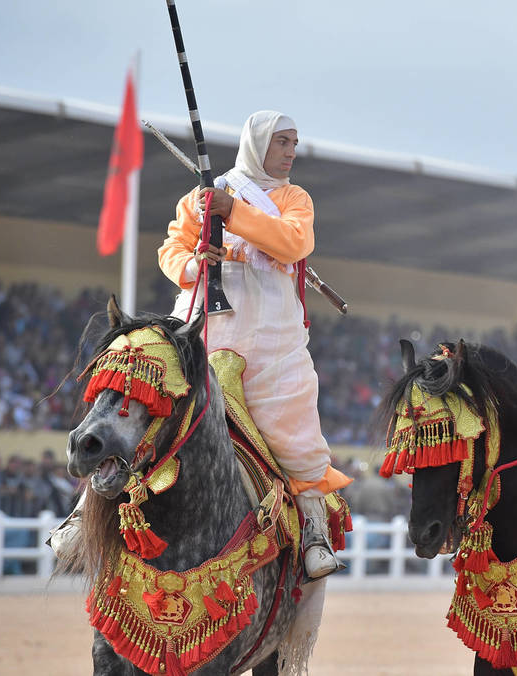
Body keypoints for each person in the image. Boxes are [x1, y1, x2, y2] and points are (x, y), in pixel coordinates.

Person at [158, 110, 352, 581]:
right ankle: (89, 509)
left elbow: (293, 243)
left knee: (295, 423)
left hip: (273, 334)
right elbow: (171, 251)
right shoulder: (202, 197)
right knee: (147, 401)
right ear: (258, 143)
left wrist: (232, 212)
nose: (290, 152)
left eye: (294, 143)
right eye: (282, 142)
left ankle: (312, 531)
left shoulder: (294, 198)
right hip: (205, 324)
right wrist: (193, 263)